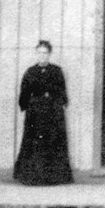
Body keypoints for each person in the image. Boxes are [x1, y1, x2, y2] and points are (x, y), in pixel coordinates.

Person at [13, 40, 73, 186]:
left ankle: (54, 177)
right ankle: (33, 176)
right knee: (35, 141)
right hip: (35, 112)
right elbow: (24, 93)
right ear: (36, 53)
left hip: (53, 111)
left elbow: (62, 91)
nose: (42, 56)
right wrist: (27, 105)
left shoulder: (56, 71)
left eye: (45, 53)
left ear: (49, 54)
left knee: (53, 140)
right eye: (39, 53)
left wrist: (60, 104)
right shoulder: (30, 72)